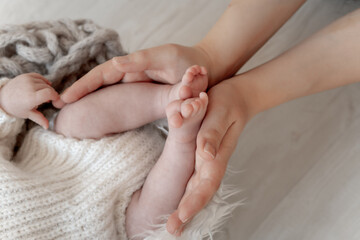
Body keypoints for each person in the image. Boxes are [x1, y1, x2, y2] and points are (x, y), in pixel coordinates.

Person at [53, 0, 360, 236]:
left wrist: (11, 99)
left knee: (71, 120)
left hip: (52, 157)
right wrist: (237, 87)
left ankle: (164, 98)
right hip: (114, 223)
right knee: (145, 225)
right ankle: (181, 134)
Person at [0, 65, 209, 239]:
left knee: (76, 118)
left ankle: (166, 98)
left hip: (67, 150)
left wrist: (7, 102)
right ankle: (182, 139)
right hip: (119, 222)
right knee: (147, 226)